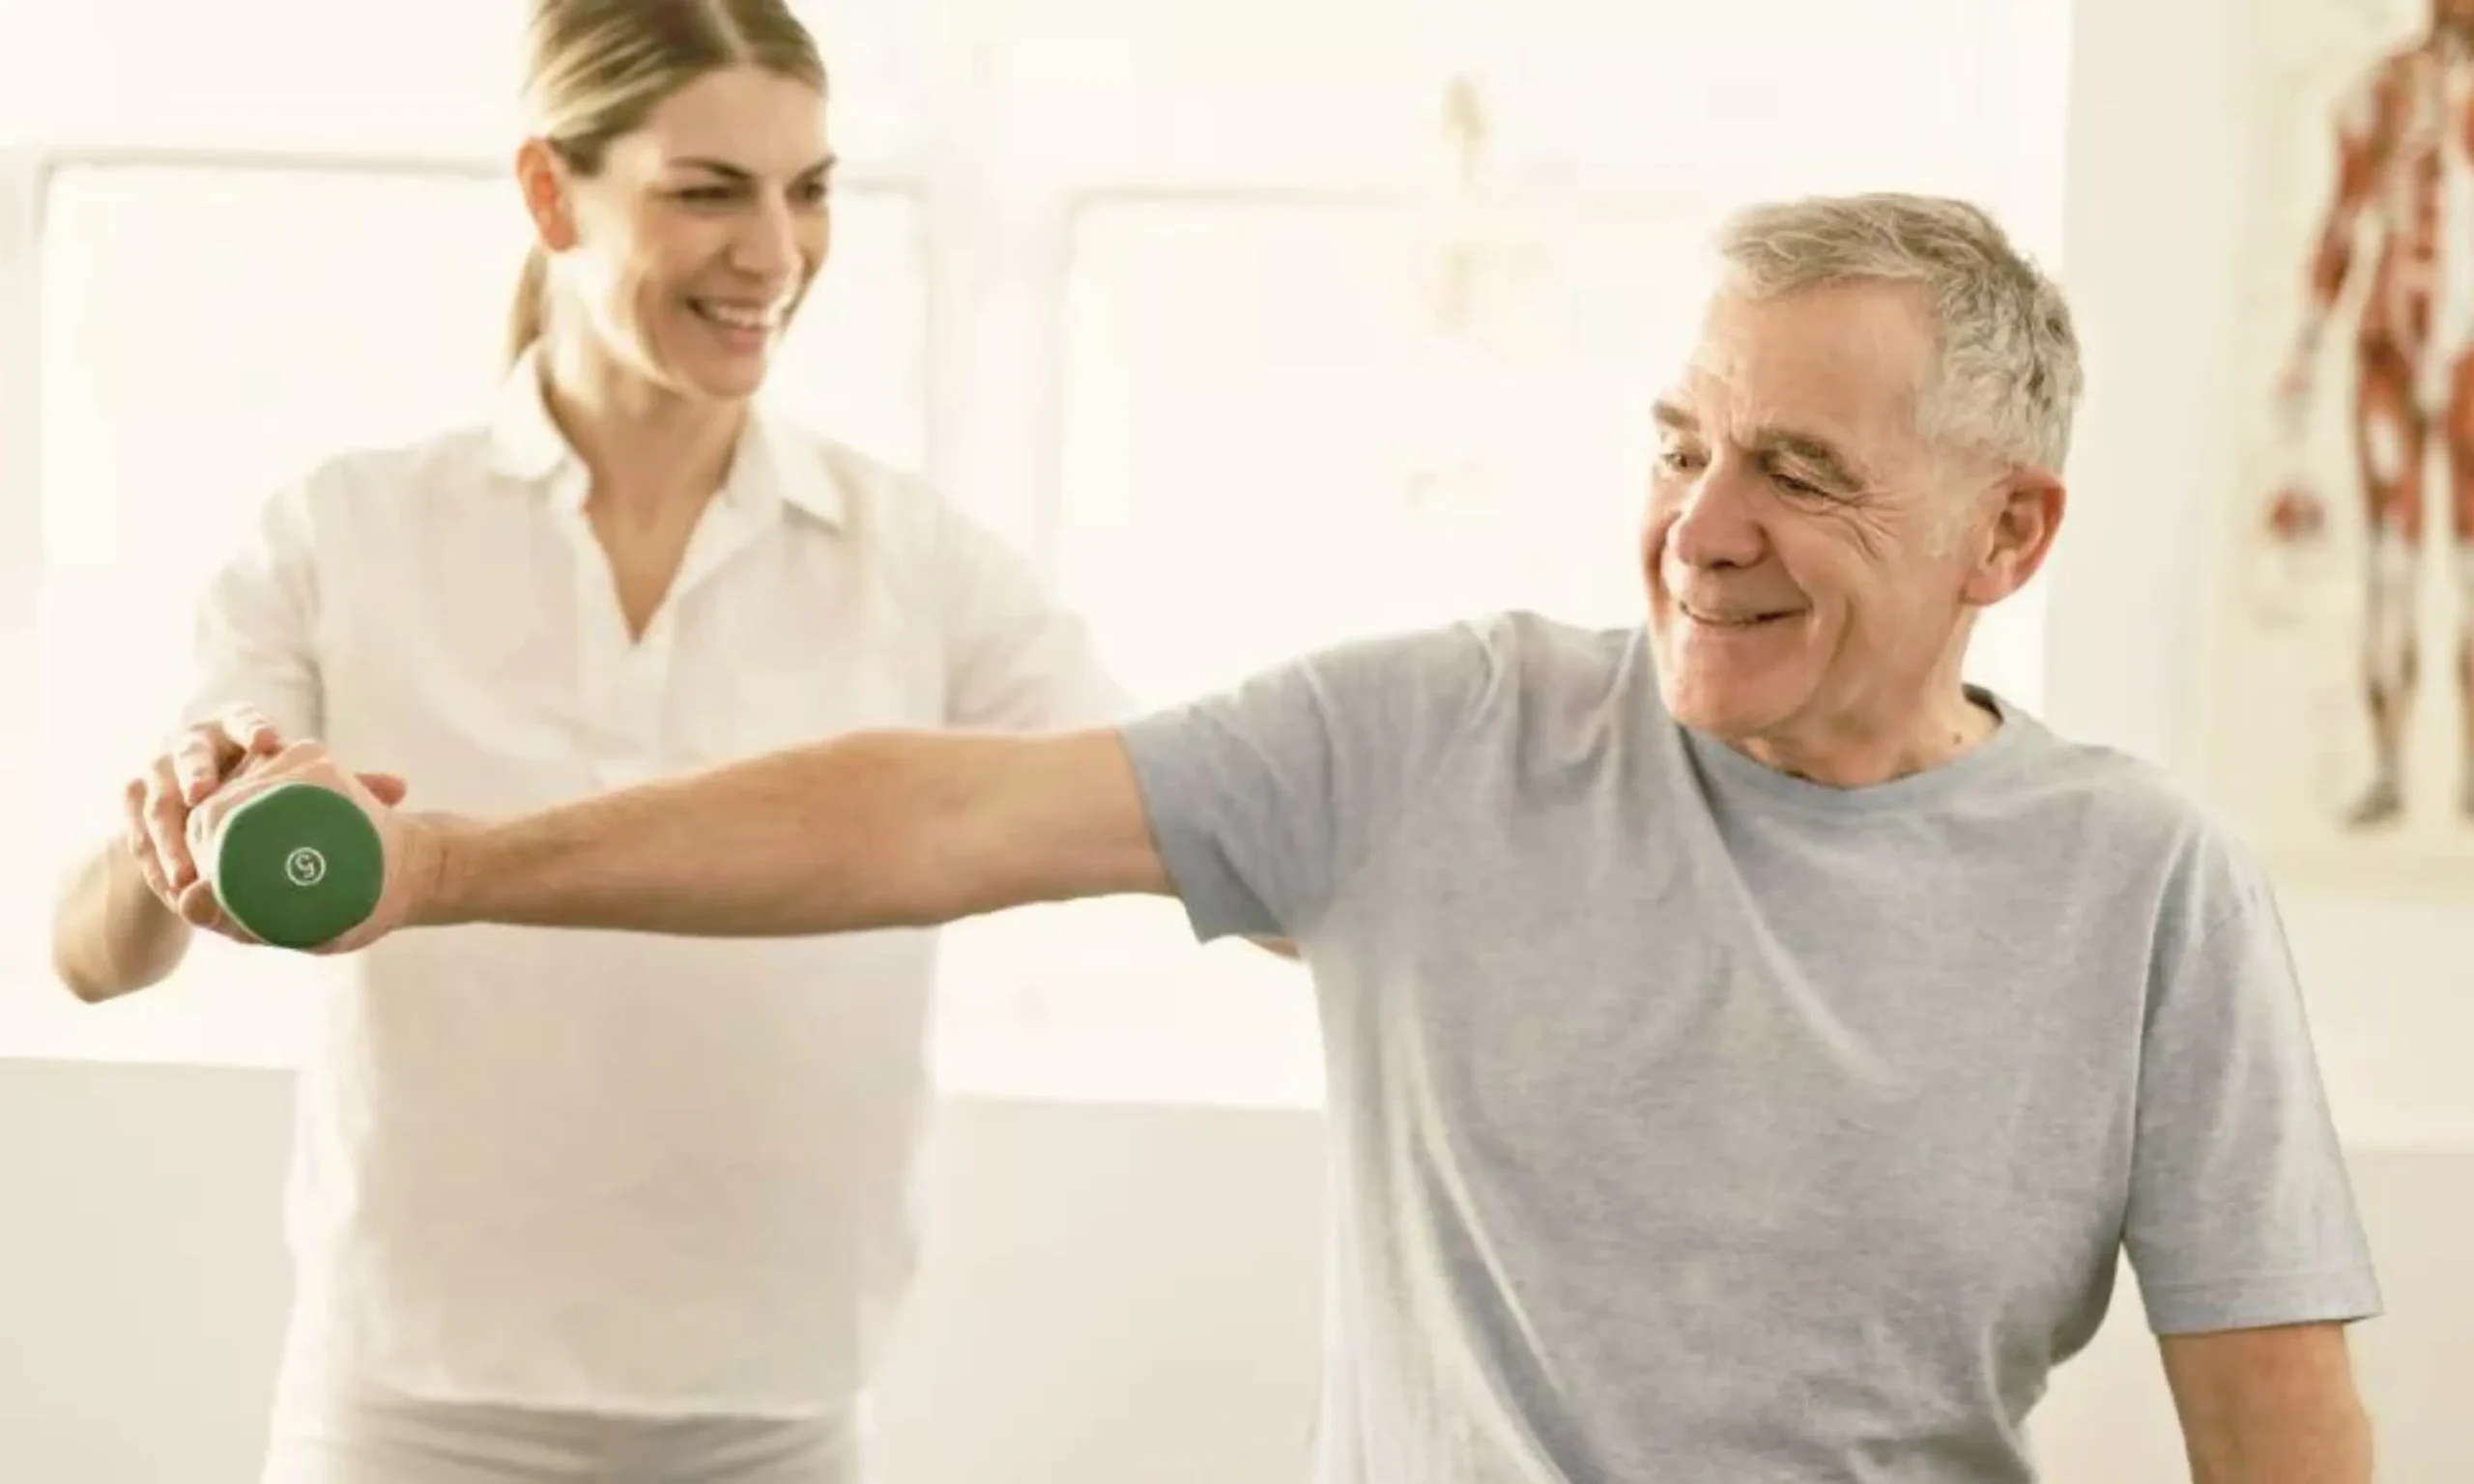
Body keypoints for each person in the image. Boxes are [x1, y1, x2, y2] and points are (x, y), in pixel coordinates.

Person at [184, 193, 2383, 1482]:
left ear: (2009, 530)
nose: (1696, 533)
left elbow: (2273, 1412)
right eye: (1678, 444)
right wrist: (455, 865)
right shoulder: (1444, 738)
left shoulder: (2140, 885)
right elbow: (929, 809)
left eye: (1795, 473)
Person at [48, 2, 1125, 1480]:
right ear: (552, 191)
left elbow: (1162, 815)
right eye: (708, 191)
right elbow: (93, 958)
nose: (776, 253)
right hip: (406, 1414)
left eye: (808, 190)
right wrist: (164, 837)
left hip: (772, 1423)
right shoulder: (348, 532)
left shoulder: (919, 563)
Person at [2270, 0, 2474, 827]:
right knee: (2390, 564)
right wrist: (2308, 348)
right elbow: (2343, 222)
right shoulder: (2382, 93)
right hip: (2391, 344)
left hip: (2466, 357)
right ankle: (2391, 768)